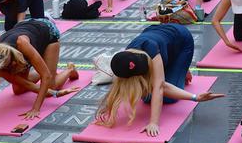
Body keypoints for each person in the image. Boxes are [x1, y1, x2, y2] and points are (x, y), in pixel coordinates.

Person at [96, 24, 224, 136]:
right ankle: (177, 69)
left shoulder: (151, 51)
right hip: (161, 39)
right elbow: (118, 87)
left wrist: (153, 122)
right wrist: (107, 111)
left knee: (168, 98)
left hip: (181, 40)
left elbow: (160, 86)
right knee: (147, 95)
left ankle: (182, 67)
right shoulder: (123, 60)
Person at [0, 19, 81, 119]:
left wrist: (36, 108)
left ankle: (70, 69)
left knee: (51, 85)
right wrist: (55, 94)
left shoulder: (22, 44)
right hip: (27, 29)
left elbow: (46, 77)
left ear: (13, 53)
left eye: (13, 62)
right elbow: (28, 85)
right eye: (11, 65)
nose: (15, 64)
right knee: (18, 90)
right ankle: (46, 68)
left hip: (47, 32)